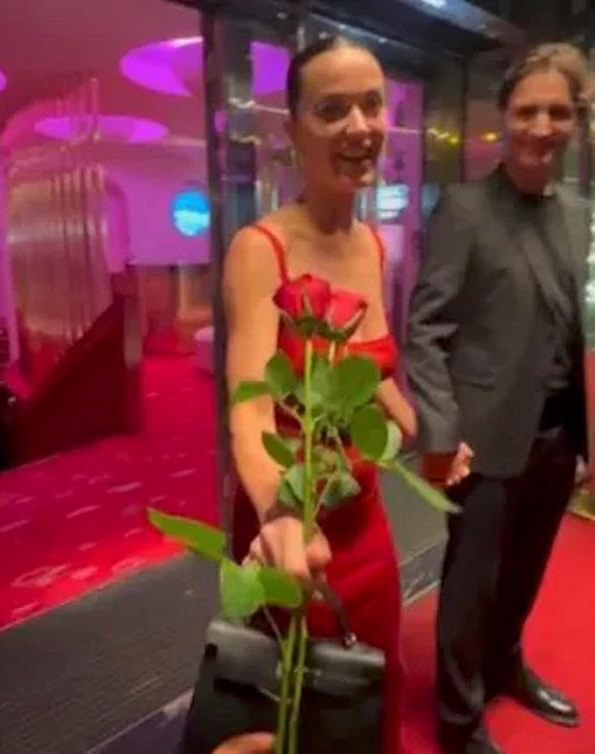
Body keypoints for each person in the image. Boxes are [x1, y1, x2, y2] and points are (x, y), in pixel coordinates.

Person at [224, 36, 417, 754]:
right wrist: (279, 517)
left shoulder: (372, 242)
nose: (359, 127)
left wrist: (424, 428)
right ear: (293, 130)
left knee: (371, 693)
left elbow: (372, 367)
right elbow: (249, 408)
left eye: (371, 105)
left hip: (367, 526)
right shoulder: (260, 248)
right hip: (293, 528)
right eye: (332, 110)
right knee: (296, 713)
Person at [406, 43, 591, 754]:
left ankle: (504, 665)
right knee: (470, 586)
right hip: (480, 436)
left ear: (575, 120)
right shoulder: (464, 209)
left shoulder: (579, 213)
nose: (541, 127)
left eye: (557, 112)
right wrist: (439, 432)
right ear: (502, 117)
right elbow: (425, 328)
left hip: (559, 433)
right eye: (527, 111)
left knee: (526, 569)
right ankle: (457, 721)